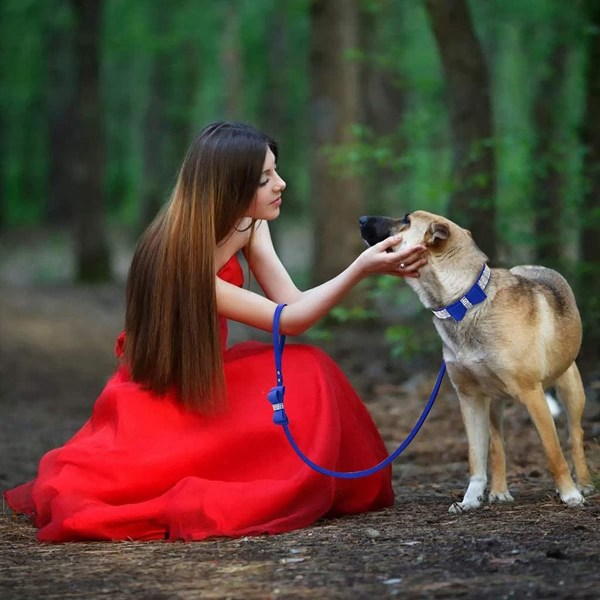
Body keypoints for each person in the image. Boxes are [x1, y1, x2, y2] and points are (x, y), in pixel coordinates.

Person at [4, 122, 427, 542]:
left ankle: (332, 483)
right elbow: (291, 323)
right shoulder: (181, 261)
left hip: (207, 371)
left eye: (275, 170)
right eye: (264, 179)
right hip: (168, 392)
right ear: (229, 186)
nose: (281, 184)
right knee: (307, 372)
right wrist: (360, 269)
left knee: (312, 368)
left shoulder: (248, 223)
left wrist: (366, 266)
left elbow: (292, 303)